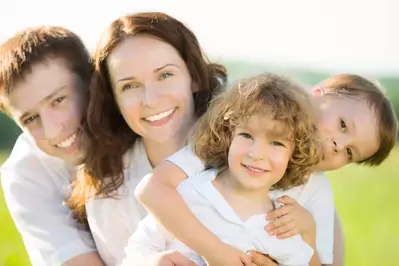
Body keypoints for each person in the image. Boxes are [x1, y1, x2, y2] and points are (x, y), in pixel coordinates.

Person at [134, 73, 398, 266]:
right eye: (342, 124)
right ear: (316, 95)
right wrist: (214, 251)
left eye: (350, 152)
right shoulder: (244, 134)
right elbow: (153, 190)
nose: (338, 144)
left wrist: (308, 232)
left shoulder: (314, 189)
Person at [66, 11, 228, 266]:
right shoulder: (108, 194)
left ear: (194, 77)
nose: (150, 100)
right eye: (129, 86)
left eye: (165, 75)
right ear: (114, 100)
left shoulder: (249, 149)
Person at [122, 72, 324, 266]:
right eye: (246, 136)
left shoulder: (283, 223)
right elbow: (136, 252)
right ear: (228, 136)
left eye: (277, 143)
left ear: (294, 154)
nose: (257, 154)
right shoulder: (189, 193)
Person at [0, 27, 104, 265]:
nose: (52, 130)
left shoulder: (142, 125)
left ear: (91, 84)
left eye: (58, 100)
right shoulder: (25, 176)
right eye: (30, 119)